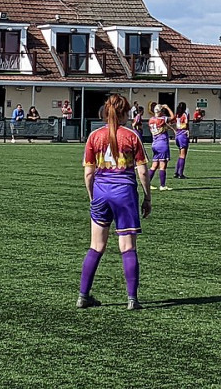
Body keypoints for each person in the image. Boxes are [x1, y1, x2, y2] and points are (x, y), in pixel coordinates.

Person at [77, 93, 151, 310]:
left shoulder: (94, 136)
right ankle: (132, 299)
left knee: (96, 246)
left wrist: (93, 197)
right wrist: (147, 197)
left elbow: (89, 174)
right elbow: (143, 172)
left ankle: (83, 295)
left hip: (101, 192)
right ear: (123, 112)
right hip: (124, 193)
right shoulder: (131, 135)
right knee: (127, 246)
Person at [147, 103, 173, 190]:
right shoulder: (162, 119)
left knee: (154, 165)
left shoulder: (151, 120)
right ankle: (162, 185)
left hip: (154, 143)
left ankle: (147, 183)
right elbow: (173, 117)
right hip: (162, 143)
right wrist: (168, 107)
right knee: (162, 166)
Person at [173, 102, 190, 179]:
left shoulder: (177, 115)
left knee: (180, 154)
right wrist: (188, 131)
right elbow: (185, 125)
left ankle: (176, 172)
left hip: (177, 134)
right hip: (183, 134)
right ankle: (180, 173)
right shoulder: (184, 115)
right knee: (183, 154)